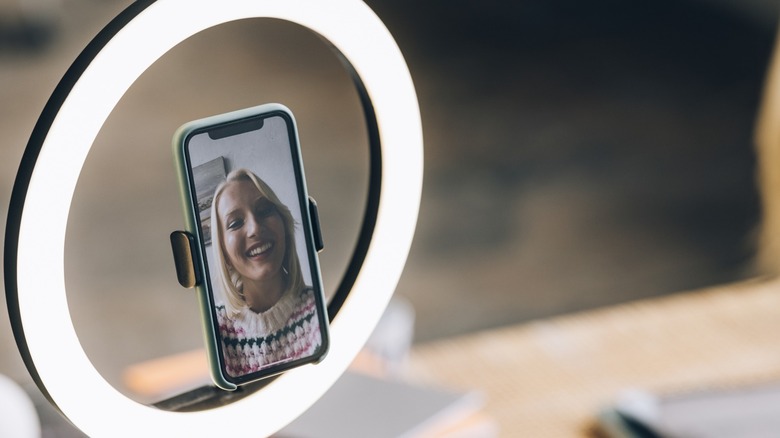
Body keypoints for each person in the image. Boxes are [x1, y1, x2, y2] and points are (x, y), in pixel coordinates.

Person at [210, 168, 322, 377]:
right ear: (223, 251)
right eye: (235, 223)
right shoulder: (214, 327)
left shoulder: (319, 309)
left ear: (284, 226)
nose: (254, 229)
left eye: (264, 211)